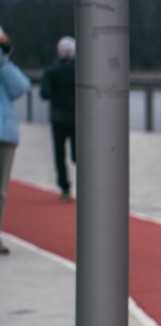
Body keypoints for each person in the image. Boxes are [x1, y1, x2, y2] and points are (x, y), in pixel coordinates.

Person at [0, 25, 31, 255]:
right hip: (5, 131)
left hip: (5, 132)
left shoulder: (4, 69)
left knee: (1, 190)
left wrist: (3, 60)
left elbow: (21, 86)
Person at [40, 36, 76, 202]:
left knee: (59, 153)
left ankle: (65, 188)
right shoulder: (82, 70)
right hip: (79, 118)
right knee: (80, 154)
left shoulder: (51, 71)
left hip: (59, 118)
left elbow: (45, 94)